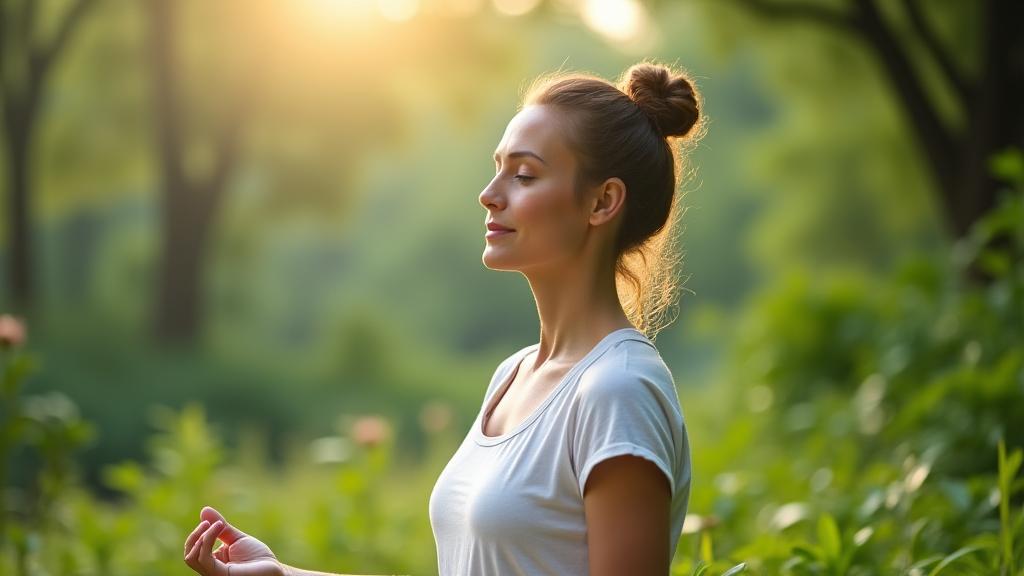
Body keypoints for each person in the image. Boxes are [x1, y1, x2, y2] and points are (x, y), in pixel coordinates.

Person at [183, 60, 702, 576]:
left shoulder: (618, 390)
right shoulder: (513, 376)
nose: (490, 193)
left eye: (524, 174)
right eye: (496, 167)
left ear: (603, 201)